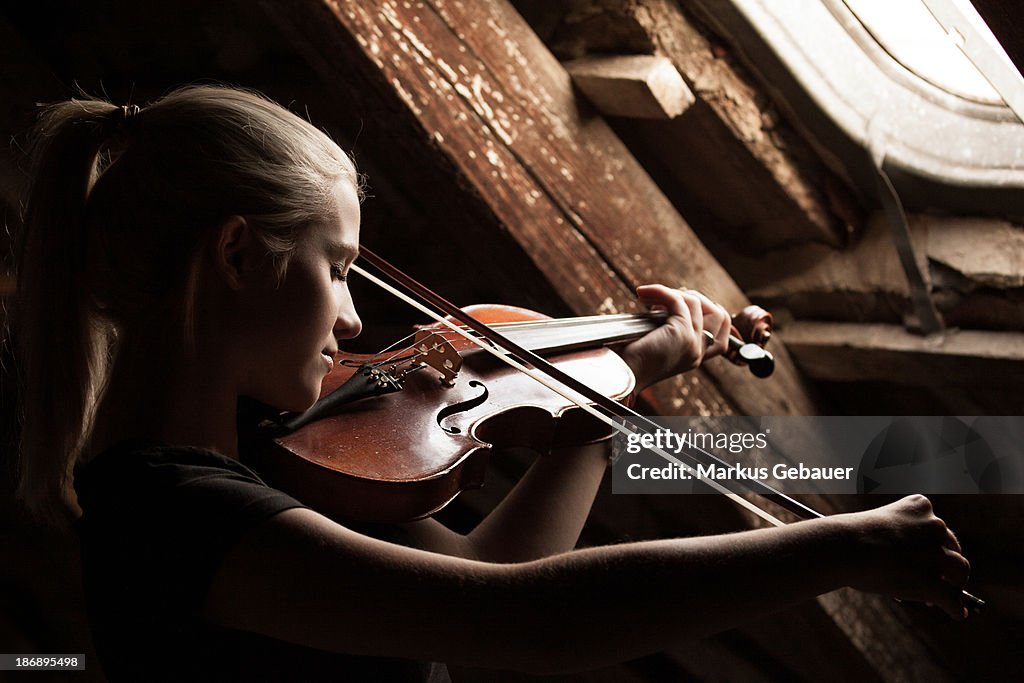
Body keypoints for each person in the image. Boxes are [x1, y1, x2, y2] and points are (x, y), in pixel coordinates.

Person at [9, 85, 971, 682]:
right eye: (337, 265)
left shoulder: (256, 463)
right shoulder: (169, 510)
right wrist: (840, 547)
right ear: (236, 253)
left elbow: (495, 577)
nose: (352, 319)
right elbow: (533, 622)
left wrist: (606, 388)